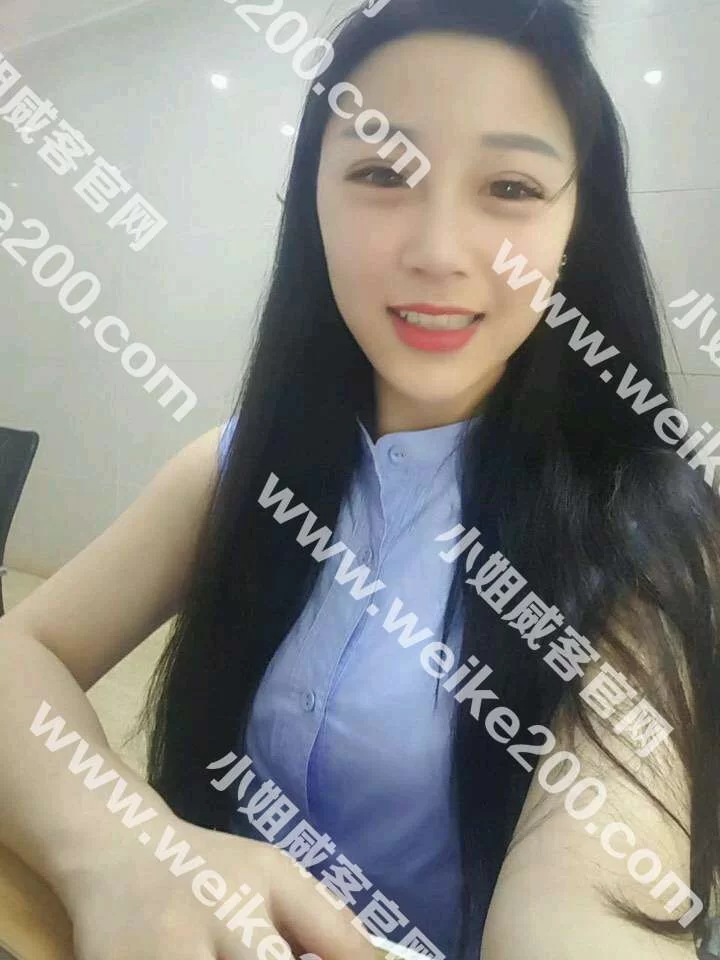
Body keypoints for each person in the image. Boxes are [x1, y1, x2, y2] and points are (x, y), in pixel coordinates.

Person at [1, 0, 719, 957]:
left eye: (510, 186)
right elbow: (21, 651)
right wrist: (124, 848)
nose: (437, 252)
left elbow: (589, 920)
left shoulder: (648, 531)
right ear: (314, 203)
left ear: (575, 227)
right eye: (382, 173)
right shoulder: (238, 465)